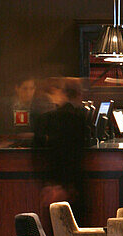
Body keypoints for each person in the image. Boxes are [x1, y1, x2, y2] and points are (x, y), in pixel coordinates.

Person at [33, 78, 89, 220]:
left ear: (62, 94)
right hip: (75, 183)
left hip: (55, 182)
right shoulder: (80, 119)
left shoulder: (48, 119)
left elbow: (38, 148)